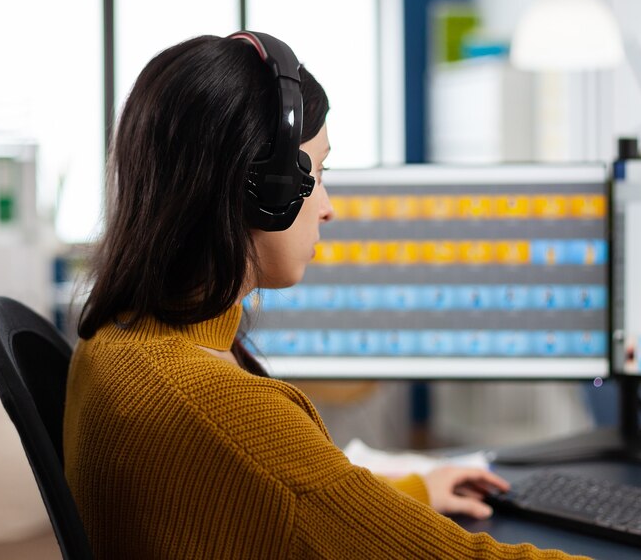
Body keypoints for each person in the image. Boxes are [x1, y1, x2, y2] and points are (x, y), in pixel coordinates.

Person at [62, 32, 586, 559]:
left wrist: (415, 492)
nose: (328, 207)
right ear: (261, 192)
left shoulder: (114, 337)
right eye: (314, 174)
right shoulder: (224, 407)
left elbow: (295, 498)